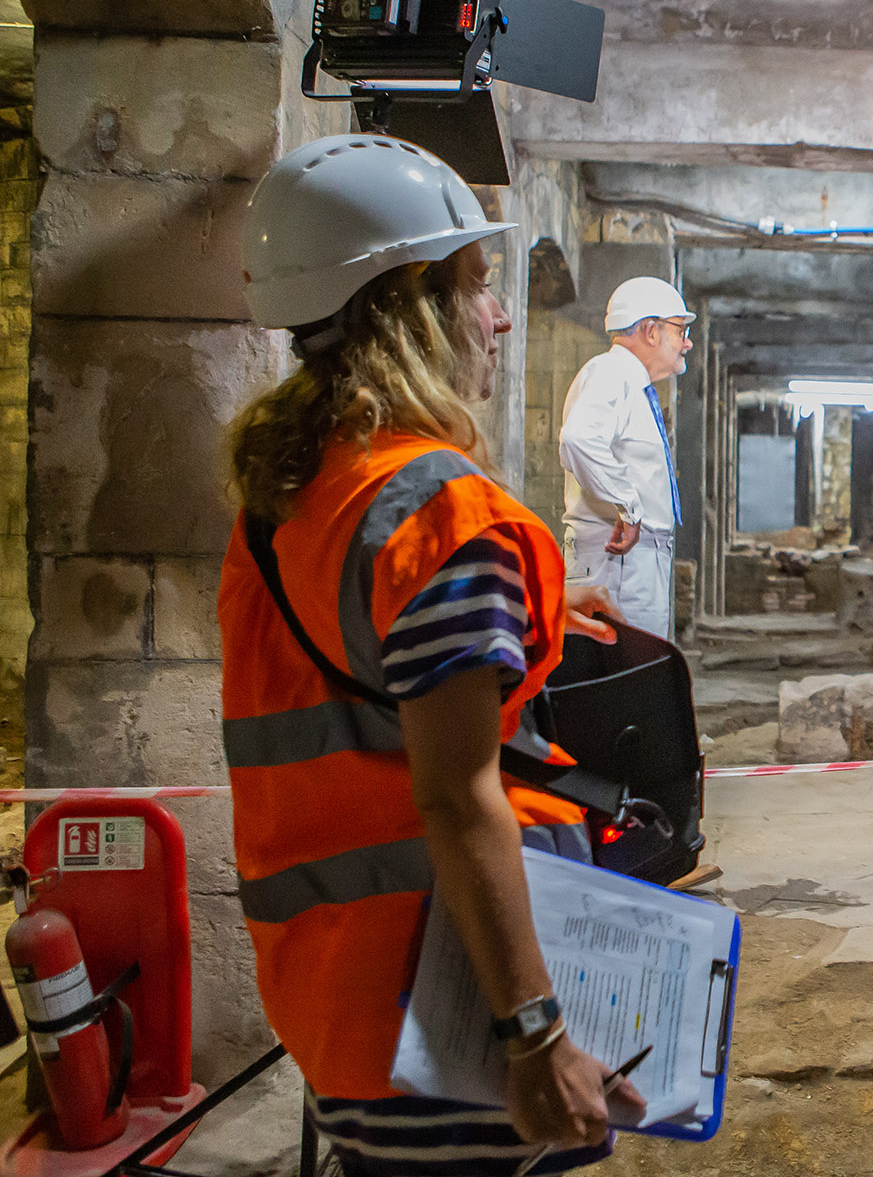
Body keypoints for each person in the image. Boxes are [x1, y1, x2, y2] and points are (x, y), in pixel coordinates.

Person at [221, 134, 642, 1175]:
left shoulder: (291, 497)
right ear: (411, 303)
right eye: (478, 284)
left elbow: (366, 675)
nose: (497, 315)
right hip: (450, 1016)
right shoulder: (441, 512)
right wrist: (536, 1035)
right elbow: (456, 799)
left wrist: (513, 616)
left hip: (336, 1000)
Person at [559, 276, 696, 640]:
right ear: (650, 330)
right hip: (617, 561)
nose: (688, 342)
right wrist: (629, 508)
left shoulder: (629, 382)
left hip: (629, 561)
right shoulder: (612, 372)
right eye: (680, 329)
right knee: (623, 673)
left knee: (636, 671)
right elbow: (579, 439)